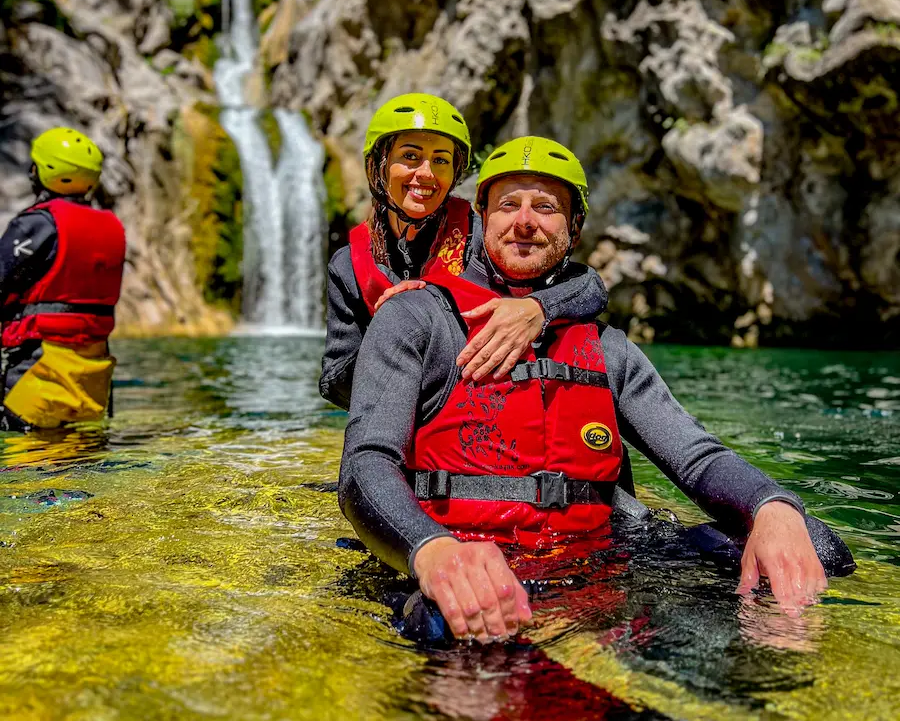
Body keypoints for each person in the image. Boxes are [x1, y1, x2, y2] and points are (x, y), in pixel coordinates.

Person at [338, 135, 853, 644]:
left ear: (575, 226)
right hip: (464, 553)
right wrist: (431, 549)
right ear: (482, 218)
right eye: (508, 205)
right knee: (446, 619)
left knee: (816, 546)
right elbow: (366, 464)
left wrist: (770, 505)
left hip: (596, 558)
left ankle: (750, 681)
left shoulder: (607, 349)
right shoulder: (415, 317)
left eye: (545, 207)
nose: (524, 221)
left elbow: (695, 457)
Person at [319, 94, 608, 409]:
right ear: (379, 166)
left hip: (486, 408)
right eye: (411, 156)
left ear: (454, 173)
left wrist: (537, 308)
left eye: (441, 160)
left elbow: (590, 287)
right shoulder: (349, 265)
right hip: (403, 415)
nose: (426, 173)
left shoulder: (482, 236)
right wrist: (391, 331)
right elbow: (333, 381)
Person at [0, 127, 126, 432]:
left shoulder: (38, 223)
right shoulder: (111, 226)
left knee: (25, 473)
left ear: (42, 172)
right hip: (92, 379)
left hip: (40, 373)